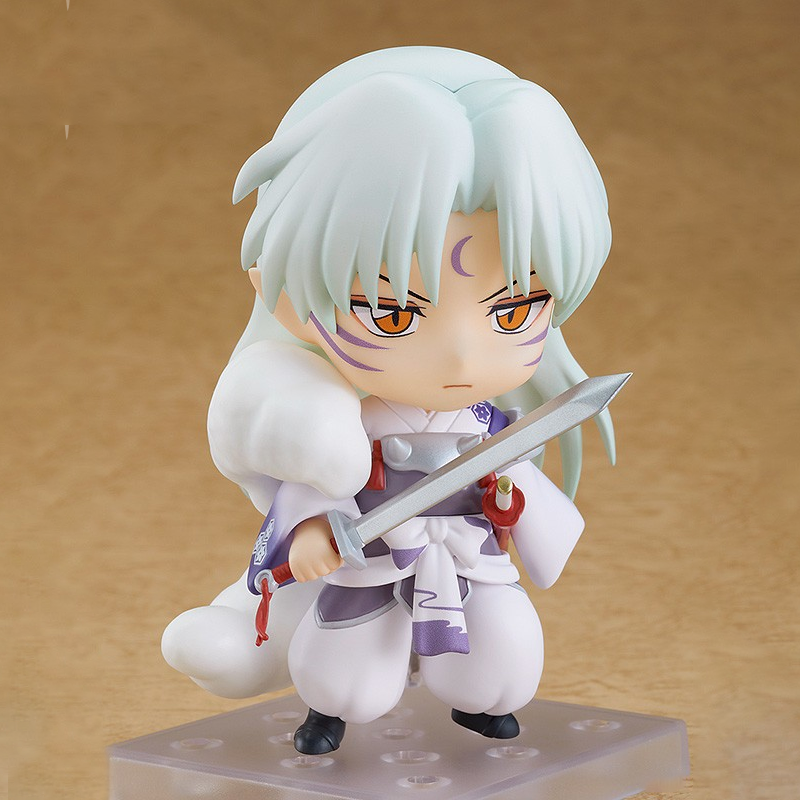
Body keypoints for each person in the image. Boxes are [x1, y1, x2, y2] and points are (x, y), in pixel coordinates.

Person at [162, 46, 617, 756]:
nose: (461, 356)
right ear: (284, 299)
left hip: (467, 560)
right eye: (394, 314)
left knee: (500, 651)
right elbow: (310, 494)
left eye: (513, 310)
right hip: (373, 558)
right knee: (351, 669)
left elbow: (519, 491)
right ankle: (328, 713)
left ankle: (484, 705)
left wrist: (508, 502)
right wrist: (309, 534)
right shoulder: (349, 427)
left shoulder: (488, 427)